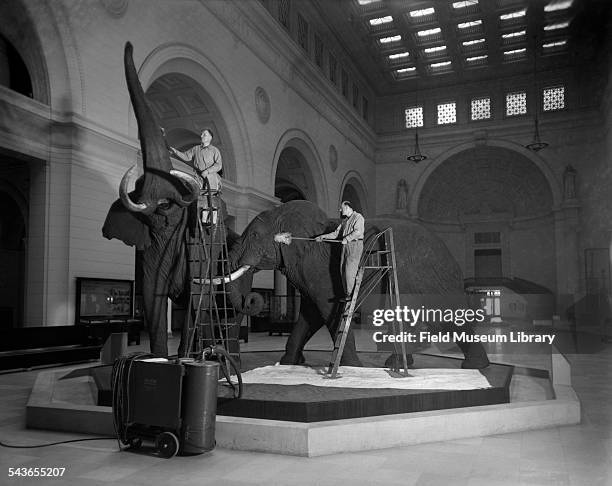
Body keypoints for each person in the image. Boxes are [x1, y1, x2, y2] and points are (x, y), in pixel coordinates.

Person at [316, 201, 365, 302]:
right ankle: (347, 294)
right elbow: (336, 234)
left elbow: (358, 231)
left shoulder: (358, 217)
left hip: (355, 245)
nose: (340, 210)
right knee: (342, 269)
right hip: (346, 245)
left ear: (347, 207)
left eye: (341, 208)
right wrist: (323, 236)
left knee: (349, 270)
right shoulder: (345, 221)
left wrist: (347, 238)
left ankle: (351, 296)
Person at [169, 128, 222, 193]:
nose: (201, 136)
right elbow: (186, 157)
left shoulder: (215, 150)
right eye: (201, 134)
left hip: (210, 178)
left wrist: (207, 171)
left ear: (210, 138)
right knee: (195, 194)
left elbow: (218, 165)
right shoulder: (195, 148)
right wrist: (175, 151)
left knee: (210, 196)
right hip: (198, 176)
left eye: (204, 134)